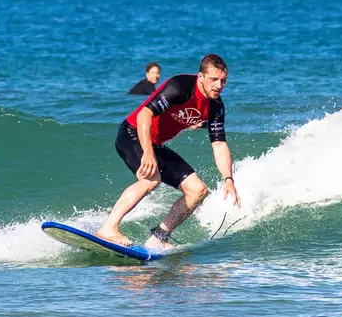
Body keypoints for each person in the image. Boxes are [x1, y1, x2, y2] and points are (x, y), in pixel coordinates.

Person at [96, 54, 241, 251]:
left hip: (155, 145)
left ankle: (160, 236)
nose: (219, 85)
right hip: (132, 133)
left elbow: (219, 144)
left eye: (223, 81)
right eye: (213, 79)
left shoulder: (216, 107)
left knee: (197, 190)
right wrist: (147, 153)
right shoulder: (180, 86)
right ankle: (108, 228)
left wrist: (228, 179)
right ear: (200, 77)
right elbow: (144, 114)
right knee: (151, 179)